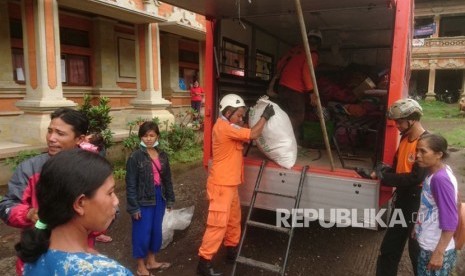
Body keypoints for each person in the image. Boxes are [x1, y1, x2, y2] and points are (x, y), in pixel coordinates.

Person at [0, 107, 89, 275]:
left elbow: (110, 212)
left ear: (79, 138)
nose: (51, 138)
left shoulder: (91, 170)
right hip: (36, 256)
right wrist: (29, 214)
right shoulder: (29, 168)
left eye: (60, 134)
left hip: (78, 259)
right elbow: (6, 206)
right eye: (50, 131)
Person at [15, 149, 132, 275]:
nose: (116, 201)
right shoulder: (109, 272)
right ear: (80, 203)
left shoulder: (32, 258)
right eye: (110, 193)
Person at [197, 94, 275, 276]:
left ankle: (231, 251)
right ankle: (204, 263)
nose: (241, 119)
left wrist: (251, 118)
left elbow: (246, 130)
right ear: (228, 112)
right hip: (221, 186)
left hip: (229, 184)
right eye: (238, 116)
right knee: (217, 225)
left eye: (242, 116)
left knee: (233, 221)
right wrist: (265, 116)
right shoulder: (224, 128)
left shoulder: (230, 125)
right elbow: (253, 133)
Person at [372, 99, 429, 276]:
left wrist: (385, 177)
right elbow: (398, 167)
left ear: (411, 119)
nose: (396, 125)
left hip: (417, 203)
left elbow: (415, 177)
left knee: (416, 252)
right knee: (389, 248)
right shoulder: (405, 138)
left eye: (399, 121)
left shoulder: (425, 143)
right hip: (403, 199)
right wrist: (381, 171)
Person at [126, 121, 175, 276]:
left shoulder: (162, 155)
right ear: (141, 137)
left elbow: (167, 179)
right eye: (145, 135)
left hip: (159, 197)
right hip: (143, 200)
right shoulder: (135, 157)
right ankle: (141, 267)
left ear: (157, 136)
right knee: (142, 233)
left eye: (151, 135)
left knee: (156, 232)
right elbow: (131, 183)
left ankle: (151, 261)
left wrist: (170, 199)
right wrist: (134, 207)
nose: (148, 138)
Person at [413, 134, 458, 275]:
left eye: (423, 151)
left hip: (434, 247)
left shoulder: (440, 180)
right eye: (417, 151)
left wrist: (439, 253)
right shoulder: (436, 172)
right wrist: (418, 226)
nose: (418, 155)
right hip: (430, 242)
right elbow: (431, 207)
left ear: (439, 154)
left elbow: (450, 219)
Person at [277, 29, 322, 143]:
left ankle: (290, 142)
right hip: (295, 90)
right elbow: (307, 72)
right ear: (319, 43)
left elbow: (280, 64)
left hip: (282, 87)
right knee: (298, 116)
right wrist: (311, 92)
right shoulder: (312, 54)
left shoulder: (295, 49)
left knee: (285, 115)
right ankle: (282, 139)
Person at [80, 132, 114, 244]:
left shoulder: (88, 150)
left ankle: (97, 233)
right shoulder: (98, 151)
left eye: (88, 137)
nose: (85, 137)